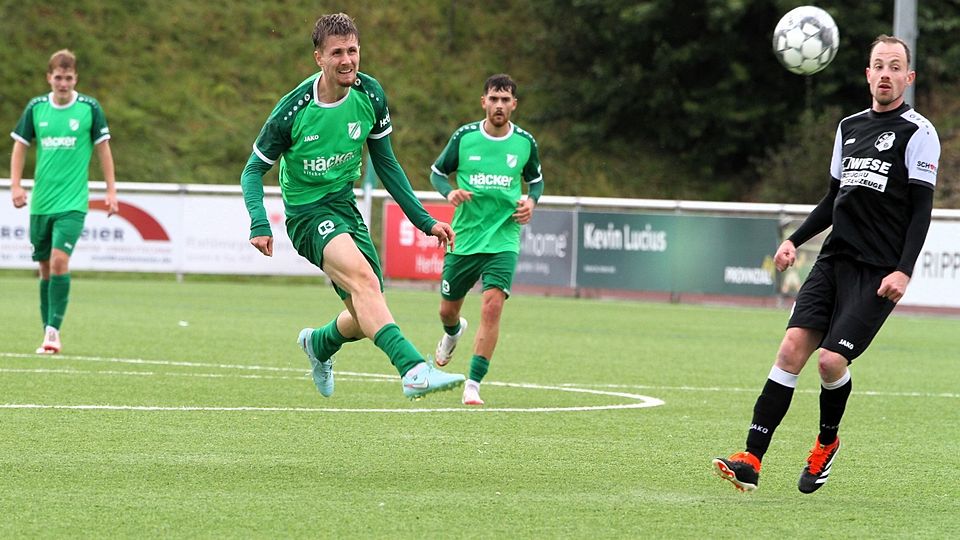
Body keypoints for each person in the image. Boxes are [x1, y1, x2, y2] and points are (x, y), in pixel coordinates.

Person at [713, 35, 940, 494]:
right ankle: (751, 459)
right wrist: (794, 240)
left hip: (878, 270)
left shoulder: (919, 133)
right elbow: (834, 198)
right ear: (868, 74)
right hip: (833, 260)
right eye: (879, 66)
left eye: (895, 67)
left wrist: (903, 270)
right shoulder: (848, 127)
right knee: (790, 350)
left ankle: (826, 443)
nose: (886, 74)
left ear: (908, 78)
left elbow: (921, 211)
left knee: (831, 361)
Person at [240, 13, 465, 400]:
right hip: (307, 215)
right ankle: (413, 370)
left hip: (344, 207)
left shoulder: (370, 95)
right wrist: (259, 222)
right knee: (363, 282)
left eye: (353, 50)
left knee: (367, 311)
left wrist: (425, 221)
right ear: (319, 58)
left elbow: (387, 164)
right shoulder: (293, 110)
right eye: (337, 53)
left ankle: (319, 343)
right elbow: (252, 171)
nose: (347, 60)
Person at [430, 74, 544, 405]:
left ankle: (473, 384)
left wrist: (531, 201)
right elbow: (437, 172)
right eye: (493, 99)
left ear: (514, 105)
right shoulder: (465, 137)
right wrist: (449, 192)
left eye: (505, 100)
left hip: (504, 237)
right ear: (484, 102)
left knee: (492, 307)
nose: (499, 105)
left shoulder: (525, 142)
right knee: (447, 311)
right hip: (465, 237)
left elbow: (536, 180)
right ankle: (453, 332)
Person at [9, 49, 118, 355]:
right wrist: (16, 185)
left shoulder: (89, 108)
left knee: (59, 261)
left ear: (76, 78)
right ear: (49, 78)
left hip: (73, 203)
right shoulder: (36, 108)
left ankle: (54, 331)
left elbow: (104, 150)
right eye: (58, 77)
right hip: (41, 203)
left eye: (68, 78)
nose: (63, 83)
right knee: (45, 268)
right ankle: (48, 329)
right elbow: (19, 147)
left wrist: (111, 191)